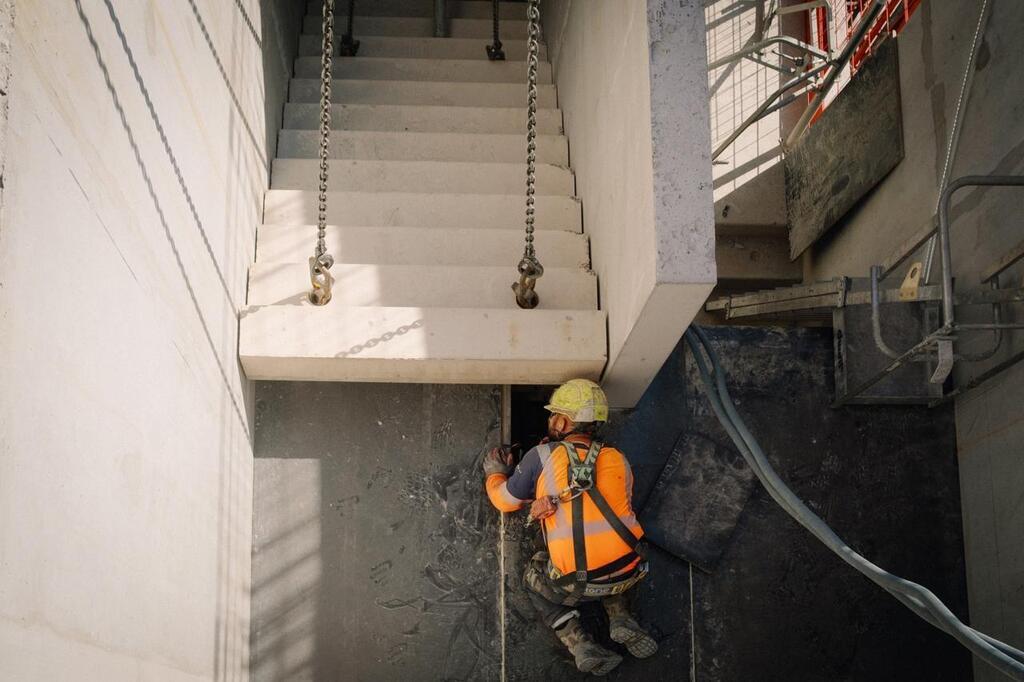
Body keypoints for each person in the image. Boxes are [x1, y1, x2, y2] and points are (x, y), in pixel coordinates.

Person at [483, 379, 657, 676]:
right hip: (632, 571)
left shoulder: (541, 456)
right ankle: (620, 615)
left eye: (553, 415)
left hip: (575, 584)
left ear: (562, 421)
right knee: (608, 551)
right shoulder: (618, 459)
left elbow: (505, 501)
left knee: (533, 578)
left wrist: (496, 475)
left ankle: (579, 644)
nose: (550, 420)